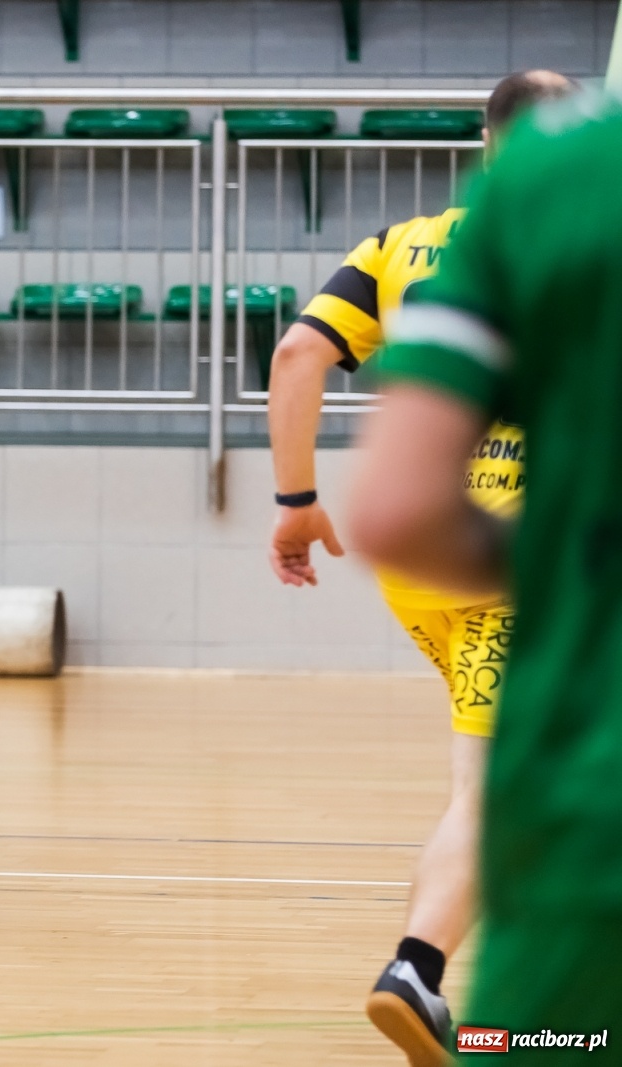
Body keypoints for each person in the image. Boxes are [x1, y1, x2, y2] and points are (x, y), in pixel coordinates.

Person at [264, 71, 572, 1066]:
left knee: (503, 784)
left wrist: (295, 501)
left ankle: (453, 994)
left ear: (485, 142)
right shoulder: (578, 236)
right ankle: (418, 970)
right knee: (490, 791)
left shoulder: (399, 246)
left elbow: (295, 358)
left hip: (422, 563)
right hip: (518, 556)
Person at [348, 90, 622, 1063]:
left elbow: (391, 508)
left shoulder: (546, 182)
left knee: (550, 1026)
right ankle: (419, 971)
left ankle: (436, 987)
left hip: (581, 815)